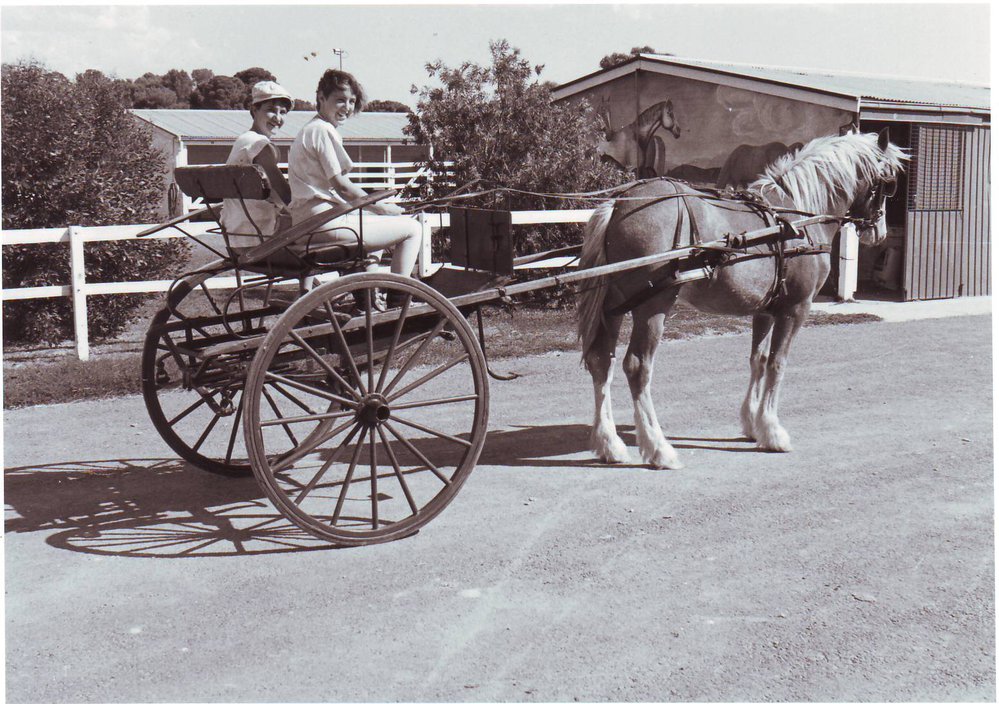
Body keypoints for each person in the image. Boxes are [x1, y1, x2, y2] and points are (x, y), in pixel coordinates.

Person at [287, 69, 421, 282]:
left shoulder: (309, 129)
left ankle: (369, 291)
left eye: (351, 101)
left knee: (375, 222)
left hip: (307, 223)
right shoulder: (322, 130)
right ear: (321, 97)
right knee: (413, 229)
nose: (347, 108)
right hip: (324, 224)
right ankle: (399, 300)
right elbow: (342, 186)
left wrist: (377, 210)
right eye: (340, 100)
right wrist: (382, 207)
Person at [220, 81, 294, 250]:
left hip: (236, 235)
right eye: (270, 110)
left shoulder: (244, 140)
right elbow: (284, 194)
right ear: (254, 110)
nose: (278, 118)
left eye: (283, 112)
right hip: (261, 239)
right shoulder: (258, 144)